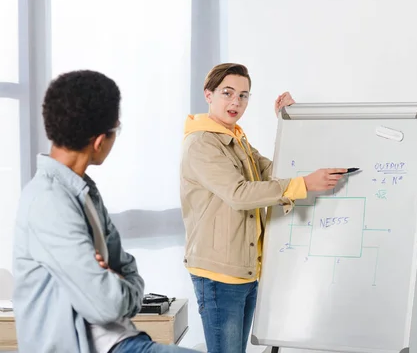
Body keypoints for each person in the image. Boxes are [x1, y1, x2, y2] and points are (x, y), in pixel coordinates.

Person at [12, 70, 197, 353]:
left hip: (126, 340)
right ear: (99, 141)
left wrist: (116, 281)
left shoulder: (85, 191)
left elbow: (129, 271)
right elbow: (106, 305)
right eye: (116, 129)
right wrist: (117, 284)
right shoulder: (48, 202)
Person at [180, 63, 346, 352]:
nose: (236, 102)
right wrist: (304, 184)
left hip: (245, 268)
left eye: (244, 95)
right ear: (209, 95)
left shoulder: (236, 139)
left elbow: (274, 171)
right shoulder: (202, 143)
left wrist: (291, 123)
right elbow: (239, 193)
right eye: (228, 93)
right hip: (219, 274)